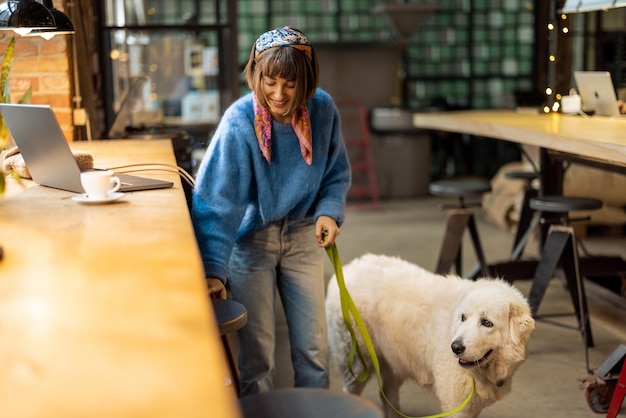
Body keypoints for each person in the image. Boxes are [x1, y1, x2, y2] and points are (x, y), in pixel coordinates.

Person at [191, 26, 351, 396]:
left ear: (306, 82)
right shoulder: (238, 121)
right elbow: (217, 201)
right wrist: (214, 268)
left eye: (290, 84)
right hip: (252, 241)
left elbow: (336, 171)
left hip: (303, 236)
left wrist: (329, 211)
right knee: (257, 356)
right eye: (270, 81)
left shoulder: (323, 110)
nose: (279, 94)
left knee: (313, 351)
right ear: (256, 74)